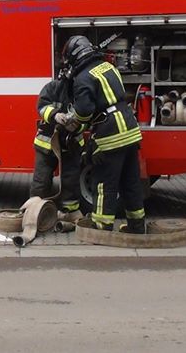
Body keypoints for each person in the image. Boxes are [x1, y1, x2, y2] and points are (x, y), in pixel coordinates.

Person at [57, 35, 146, 233]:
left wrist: (74, 125)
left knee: (104, 181)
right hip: (130, 130)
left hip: (111, 133)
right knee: (130, 181)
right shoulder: (108, 67)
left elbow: (84, 111)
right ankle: (137, 225)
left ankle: (101, 225)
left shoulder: (82, 78)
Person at [29, 71, 83, 222]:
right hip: (46, 143)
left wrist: (78, 127)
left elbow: (87, 115)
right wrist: (55, 115)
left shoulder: (82, 91)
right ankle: (35, 212)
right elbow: (41, 106)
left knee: (70, 181)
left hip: (71, 144)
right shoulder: (52, 88)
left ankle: (68, 213)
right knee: (41, 180)